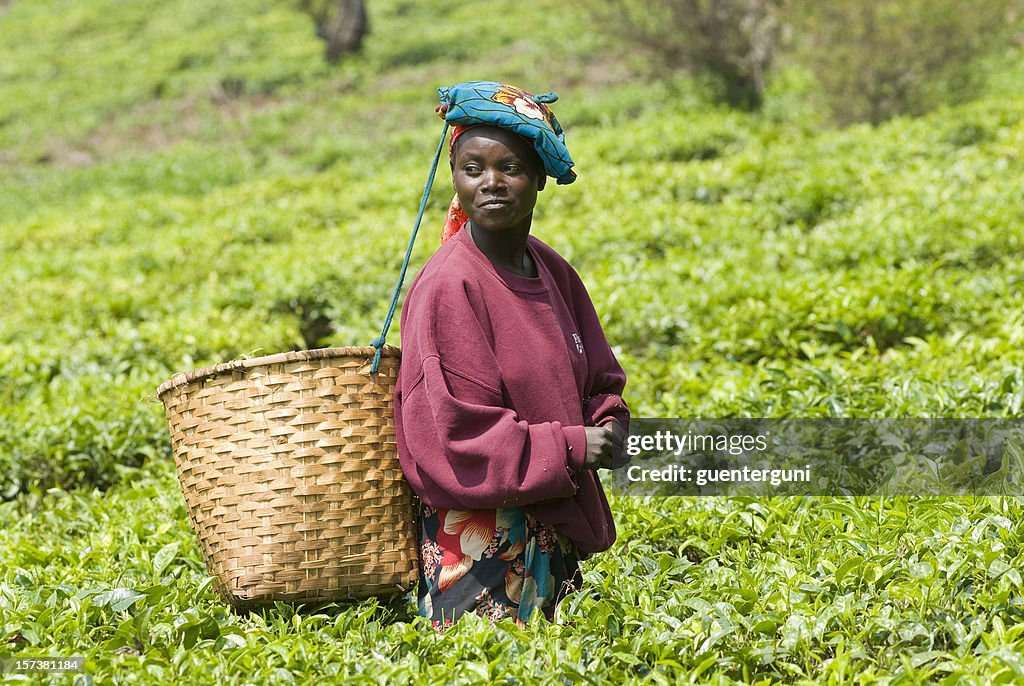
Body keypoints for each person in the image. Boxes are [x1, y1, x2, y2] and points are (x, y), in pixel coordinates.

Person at [393, 82, 629, 630]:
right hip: (482, 546)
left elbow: (597, 377)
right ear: (455, 179)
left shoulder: (551, 269)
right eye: (473, 168)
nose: (491, 184)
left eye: (511, 168)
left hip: (555, 522)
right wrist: (573, 445)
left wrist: (607, 422)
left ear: (539, 179)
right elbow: (455, 433)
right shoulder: (449, 285)